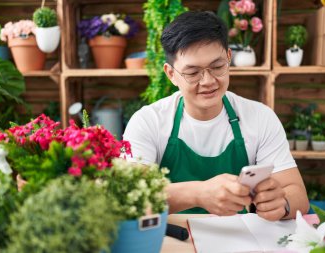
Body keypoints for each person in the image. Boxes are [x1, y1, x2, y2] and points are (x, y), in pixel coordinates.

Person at [123, 11, 309, 221]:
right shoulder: (148, 122)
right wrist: (198, 194)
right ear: (171, 74)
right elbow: (130, 198)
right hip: (173, 239)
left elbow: (298, 196)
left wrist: (281, 204)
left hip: (240, 239)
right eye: (193, 73)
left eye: (218, 66)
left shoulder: (260, 117)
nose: (208, 81)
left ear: (229, 58)